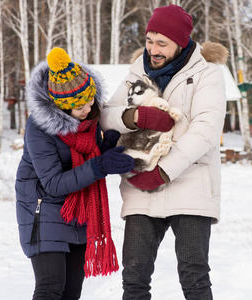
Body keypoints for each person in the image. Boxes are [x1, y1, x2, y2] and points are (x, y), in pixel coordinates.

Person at [100, 5, 228, 299]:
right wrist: (134, 118)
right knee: (133, 277)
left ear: (180, 43)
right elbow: (106, 116)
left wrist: (163, 171)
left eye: (162, 43)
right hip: (140, 186)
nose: (153, 49)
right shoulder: (137, 71)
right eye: (149, 40)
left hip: (190, 184)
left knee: (194, 276)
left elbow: (206, 129)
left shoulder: (208, 74)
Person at [15, 47, 135, 299]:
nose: (88, 108)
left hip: (78, 213)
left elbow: (82, 160)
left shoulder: (89, 120)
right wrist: (99, 166)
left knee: (71, 292)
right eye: (79, 106)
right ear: (60, 107)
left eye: (90, 99)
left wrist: (101, 151)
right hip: (44, 210)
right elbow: (54, 184)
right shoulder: (39, 128)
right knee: (50, 287)